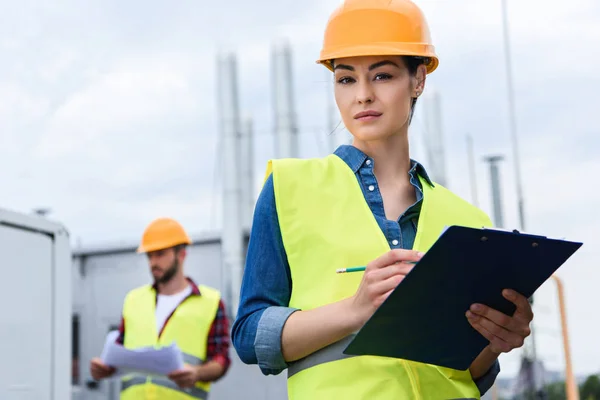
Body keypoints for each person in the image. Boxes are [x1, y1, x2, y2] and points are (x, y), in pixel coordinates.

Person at [232, 0, 535, 399]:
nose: (363, 95)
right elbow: (250, 335)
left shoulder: (467, 222)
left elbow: (468, 370)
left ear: (418, 80)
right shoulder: (289, 188)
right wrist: (354, 310)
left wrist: (497, 339)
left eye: (383, 75)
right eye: (346, 79)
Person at [89, 217, 231, 400]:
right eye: (150, 255)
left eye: (160, 254)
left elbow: (220, 360)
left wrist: (197, 373)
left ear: (181, 254)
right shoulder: (133, 300)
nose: (153, 262)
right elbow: (120, 353)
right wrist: (105, 368)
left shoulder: (210, 302)